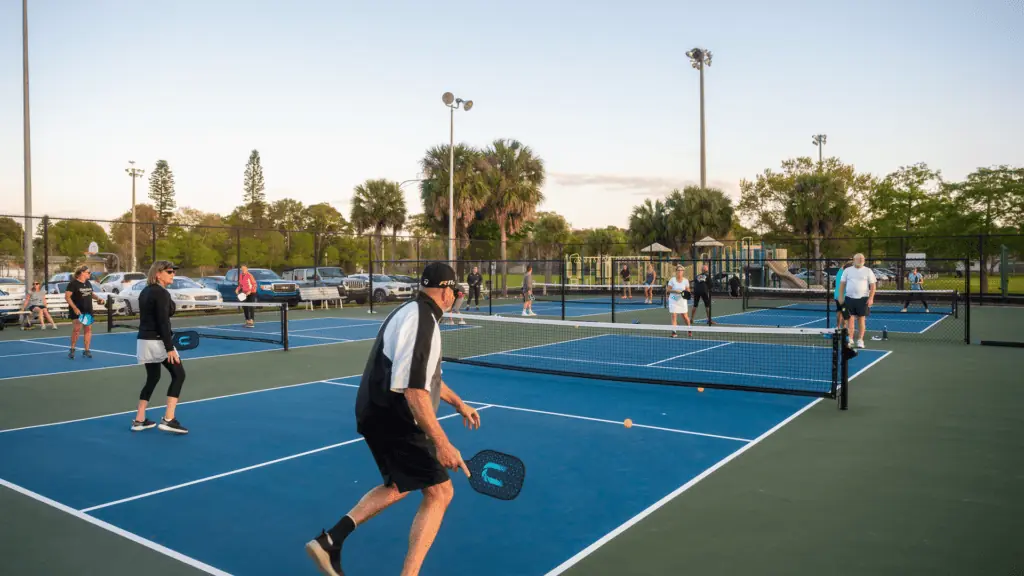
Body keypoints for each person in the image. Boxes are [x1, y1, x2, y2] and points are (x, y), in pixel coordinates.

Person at [305, 262, 481, 576]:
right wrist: (442, 443)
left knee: (400, 484)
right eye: (456, 291)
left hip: (377, 411)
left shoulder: (411, 312)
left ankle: (331, 541)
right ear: (445, 291)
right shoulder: (422, 321)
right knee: (440, 491)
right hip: (394, 416)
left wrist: (458, 403)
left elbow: (424, 378)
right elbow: (414, 391)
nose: (457, 296)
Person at [131, 261, 188, 434]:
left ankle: (139, 419)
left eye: (173, 272)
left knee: (153, 377)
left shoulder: (145, 291)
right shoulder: (161, 293)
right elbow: (163, 321)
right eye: (169, 271)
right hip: (157, 341)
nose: (173, 274)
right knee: (179, 374)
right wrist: (169, 347)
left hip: (144, 341)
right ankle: (169, 419)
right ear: (158, 273)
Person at [65, 265, 106, 359]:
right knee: (77, 330)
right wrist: (74, 308)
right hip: (78, 310)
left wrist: (98, 299)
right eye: (88, 272)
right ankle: (72, 349)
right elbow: (67, 297)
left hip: (87, 310)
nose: (89, 274)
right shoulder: (73, 284)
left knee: (88, 330)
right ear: (82, 272)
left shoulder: (88, 283)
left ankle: (86, 350)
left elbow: (91, 293)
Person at [838, 253, 876, 348]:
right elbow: (842, 284)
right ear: (854, 260)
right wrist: (841, 296)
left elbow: (873, 286)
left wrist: (871, 298)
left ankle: (860, 340)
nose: (861, 260)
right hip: (849, 298)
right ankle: (850, 339)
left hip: (863, 299)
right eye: (859, 258)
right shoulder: (847, 270)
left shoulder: (868, 271)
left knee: (861, 320)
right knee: (850, 320)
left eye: (862, 258)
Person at [666, 265, 692, 337]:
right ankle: (674, 332)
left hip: (682, 300)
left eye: (681, 270)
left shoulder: (686, 281)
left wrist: (686, 293)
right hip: (673, 299)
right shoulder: (672, 280)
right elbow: (668, 290)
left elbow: (688, 291)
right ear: (676, 271)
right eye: (678, 270)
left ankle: (689, 329)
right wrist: (675, 291)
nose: (680, 272)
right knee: (674, 315)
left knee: (685, 316)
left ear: (683, 272)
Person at [833, 260, 853, 328]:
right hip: (843, 297)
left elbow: (843, 267)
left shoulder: (840, 271)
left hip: (837, 296)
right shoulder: (847, 274)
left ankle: (837, 327)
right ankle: (844, 329)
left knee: (839, 311)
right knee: (845, 313)